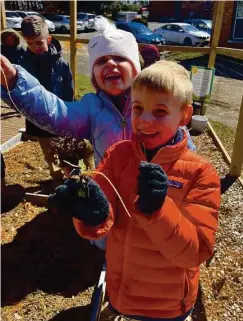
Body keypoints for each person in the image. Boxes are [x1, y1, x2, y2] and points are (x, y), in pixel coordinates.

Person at [0, 18, 195, 250]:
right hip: (109, 190)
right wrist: (15, 81)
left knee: (153, 237)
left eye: (120, 58)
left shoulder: (156, 103)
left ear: (137, 68)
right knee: (110, 235)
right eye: (101, 61)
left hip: (154, 189)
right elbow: (57, 112)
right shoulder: (91, 106)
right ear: (94, 75)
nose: (110, 63)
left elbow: (183, 146)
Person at [48, 60, 220, 321]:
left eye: (160, 112)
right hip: (122, 293)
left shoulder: (200, 173)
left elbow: (196, 252)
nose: (145, 119)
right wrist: (93, 214)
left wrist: (159, 210)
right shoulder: (118, 156)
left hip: (168, 304)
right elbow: (103, 208)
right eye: (138, 108)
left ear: (184, 116)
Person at [20, 15, 74, 178]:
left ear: (48, 39)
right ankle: (56, 176)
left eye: (39, 43)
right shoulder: (23, 64)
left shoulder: (61, 64)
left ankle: (71, 176)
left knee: (65, 149)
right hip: (38, 117)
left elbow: (68, 90)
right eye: (29, 43)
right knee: (48, 151)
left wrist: (69, 113)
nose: (34, 47)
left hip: (59, 115)